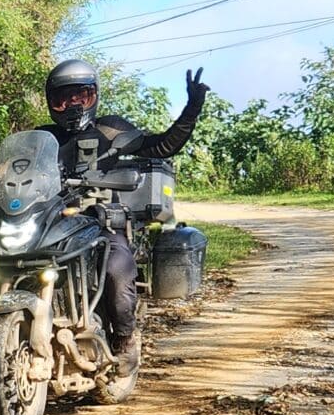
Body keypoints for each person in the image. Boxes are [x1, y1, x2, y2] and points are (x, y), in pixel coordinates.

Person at [40, 58, 209, 360]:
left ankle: (125, 339)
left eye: (81, 96)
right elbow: (13, 171)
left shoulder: (110, 129)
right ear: (52, 103)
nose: (73, 104)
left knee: (116, 271)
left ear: (93, 96)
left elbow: (161, 146)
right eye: (63, 98)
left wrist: (192, 108)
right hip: (53, 224)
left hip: (102, 223)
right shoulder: (44, 139)